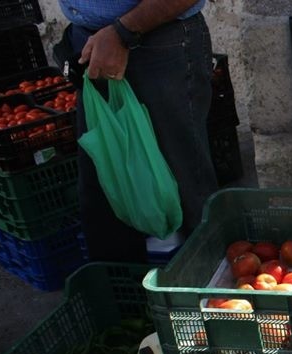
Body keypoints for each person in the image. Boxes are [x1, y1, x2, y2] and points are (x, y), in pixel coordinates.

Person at [59, 0, 218, 262]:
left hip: (154, 42)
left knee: (184, 190)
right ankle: (127, 294)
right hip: (90, 41)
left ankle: (203, 290)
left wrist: (123, 32)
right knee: (106, 195)